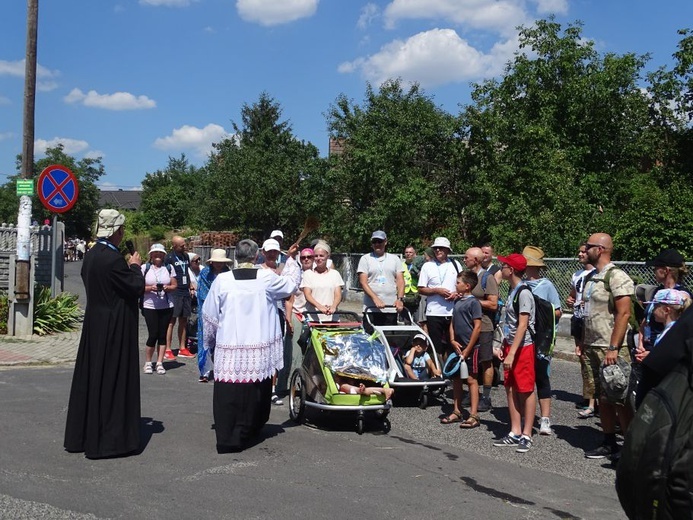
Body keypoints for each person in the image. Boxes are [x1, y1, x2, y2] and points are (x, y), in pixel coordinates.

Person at [201, 239, 296, 453]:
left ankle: (228, 436)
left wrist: (210, 341)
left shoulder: (223, 280)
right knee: (253, 389)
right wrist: (290, 259)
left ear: (236, 257)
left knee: (231, 392)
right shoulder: (266, 278)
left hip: (230, 344)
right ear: (256, 257)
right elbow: (291, 285)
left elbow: (209, 315)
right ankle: (251, 428)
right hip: (257, 343)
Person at [64, 209, 144, 459]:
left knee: (92, 376)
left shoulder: (90, 255)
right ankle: (108, 440)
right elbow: (135, 288)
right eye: (122, 230)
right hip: (114, 324)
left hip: (94, 321)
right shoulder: (113, 260)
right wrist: (135, 267)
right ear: (117, 231)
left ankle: (82, 435)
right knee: (112, 377)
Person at [581, 233, 634, 460]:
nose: (585, 249)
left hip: (610, 347)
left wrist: (614, 347)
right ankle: (609, 441)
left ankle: (631, 448)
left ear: (600, 249)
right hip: (592, 345)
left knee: (619, 398)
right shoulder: (593, 277)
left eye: (589, 246)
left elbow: (624, 313)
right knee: (602, 397)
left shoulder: (617, 276)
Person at [493, 253, 536, 453]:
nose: (501, 268)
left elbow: (523, 325)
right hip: (510, 344)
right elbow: (510, 324)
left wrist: (512, 353)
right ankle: (515, 430)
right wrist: (504, 344)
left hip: (523, 347)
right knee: (510, 387)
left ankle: (527, 434)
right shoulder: (512, 290)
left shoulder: (524, 292)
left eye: (504, 265)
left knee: (525, 389)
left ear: (511, 270)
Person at [522, 245, 562, 436]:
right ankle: (526, 415)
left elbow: (558, 311)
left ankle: (545, 419)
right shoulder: (521, 285)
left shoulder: (546, 285)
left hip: (542, 340)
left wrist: (541, 313)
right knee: (525, 377)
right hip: (525, 338)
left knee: (542, 377)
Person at [462, 247, 499, 412]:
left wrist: (472, 301)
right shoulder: (466, 277)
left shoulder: (487, 278)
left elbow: (493, 304)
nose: (464, 260)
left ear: (475, 260)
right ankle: (473, 391)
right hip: (469, 326)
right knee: (470, 361)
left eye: (466, 258)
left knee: (485, 361)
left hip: (484, 326)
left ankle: (486, 396)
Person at [445, 270, 483, 429]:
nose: (456, 284)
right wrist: (452, 340)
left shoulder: (474, 303)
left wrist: (468, 349)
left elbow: (477, 326)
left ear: (467, 286)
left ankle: (474, 414)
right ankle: (457, 410)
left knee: (471, 379)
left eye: (458, 282)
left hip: (471, 348)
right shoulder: (458, 301)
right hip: (458, 347)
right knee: (456, 379)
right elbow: (453, 322)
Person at [417, 237, 462, 365]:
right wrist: (437, 290)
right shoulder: (427, 266)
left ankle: (451, 371)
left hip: (452, 311)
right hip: (434, 312)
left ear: (447, 250)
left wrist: (456, 294)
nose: (438, 250)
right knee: (435, 345)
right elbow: (421, 289)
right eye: (435, 248)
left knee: (451, 343)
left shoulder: (455, 264)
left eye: (441, 248)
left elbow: (463, 286)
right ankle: (437, 371)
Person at [566, 243, 597, 418]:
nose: (580, 254)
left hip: (589, 320)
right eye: (579, 251)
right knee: (582, 358)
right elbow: (573, 294)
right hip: (577, 318)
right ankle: (588, 395)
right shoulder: (577, 274)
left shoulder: (596, 275)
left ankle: (594, 399)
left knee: (590, 359)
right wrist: (570, 300)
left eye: (583, 252)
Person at [357, 230, 405, 333]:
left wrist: (400, 299)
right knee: (370, 339)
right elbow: (363, 282)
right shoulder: (365, 259)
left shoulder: (394, 259)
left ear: (385, 242)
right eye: (374, 242)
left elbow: (400, 281)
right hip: (371, 308)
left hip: (390, 307)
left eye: (380, 241)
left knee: (389, 340)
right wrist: (375, 299)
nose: (377, 244)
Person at [196, 249, 232, 383]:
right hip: (207, 309)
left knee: (222, 341)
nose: (218, 264)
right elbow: (204, 294)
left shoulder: (228, 273)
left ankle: (221, 368)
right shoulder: (205, 273)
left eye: (220, 262)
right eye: (216, 262)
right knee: (205, 340)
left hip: (225, 310)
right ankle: (204, 371)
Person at [141, 243, 177, 376]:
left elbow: (175, 285)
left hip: (166, 306)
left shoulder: (169, 268)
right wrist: (151, 288)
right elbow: (138, 287)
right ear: (151, 255)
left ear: (163, 255)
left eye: (160, 253)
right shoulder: (145, 268)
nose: (158, 255)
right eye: (155, 253)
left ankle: (160, 363)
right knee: (153, 334)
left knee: (162, 334)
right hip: (150, 305)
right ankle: (148, 362)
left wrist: (167, 288)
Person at [164, 236, 195, 360]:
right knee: (171, 321)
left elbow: (186, 271)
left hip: (185, 291)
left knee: (184, 320)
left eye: (184, 244)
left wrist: (190, 284)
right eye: (181, 245)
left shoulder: (185, 256)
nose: (184, 247)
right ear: (174, 246)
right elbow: (166, 273)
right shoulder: (169, 258)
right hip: (174, 292)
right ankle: (167, 349)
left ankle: (182, 348)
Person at [301, 242, 344, 322]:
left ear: (327, 256)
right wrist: (320, 307)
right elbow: (308, 295)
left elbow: (338, 295)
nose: (318, 258)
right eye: (316, 256)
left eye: (321, 255)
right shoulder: (308, 274)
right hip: (312, 317)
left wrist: (333, 307)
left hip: (331, 318)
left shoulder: (335, 274)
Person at [401, 245, 423, 323]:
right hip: (405, 295)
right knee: (406, 321)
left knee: (418, 321)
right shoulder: (401, 265)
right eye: (406, 252)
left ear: (415, 254)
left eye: (410, 252)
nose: (408, 254)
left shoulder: (419, 265)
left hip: (416, 295)